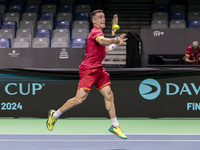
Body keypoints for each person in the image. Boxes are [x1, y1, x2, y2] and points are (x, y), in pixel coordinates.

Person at [46, 9, 127, 140]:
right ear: (94, 20)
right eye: (100, 17)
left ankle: (115, 126)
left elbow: (102, 49)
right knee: (79, 99)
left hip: (99, 69)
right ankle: (54, 115)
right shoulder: (96, 32)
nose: (103, 19)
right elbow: (102, 41)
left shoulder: (99, 34)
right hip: (88, 70)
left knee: (109, 95)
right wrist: (114, 40)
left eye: (104, 17)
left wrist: (114, 45)